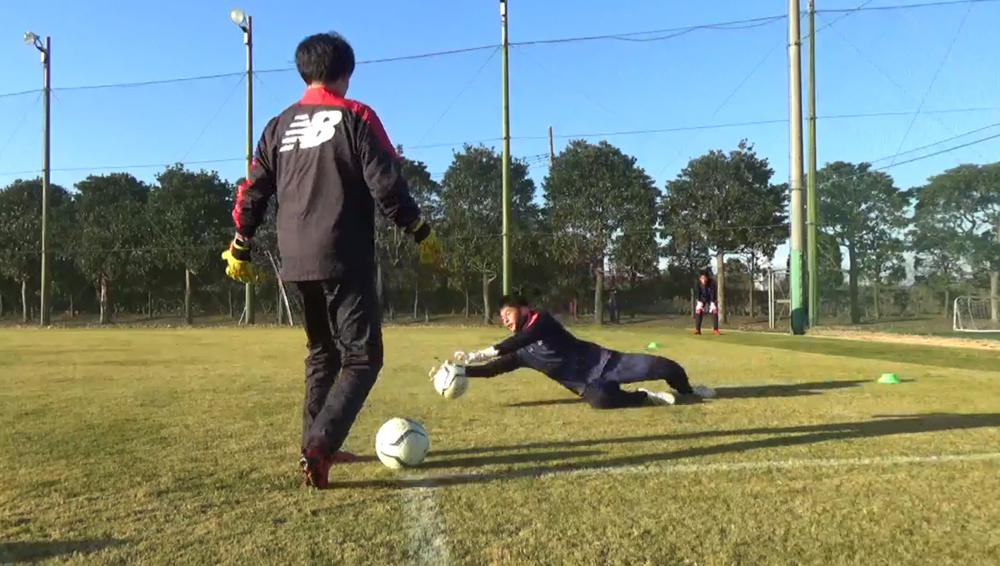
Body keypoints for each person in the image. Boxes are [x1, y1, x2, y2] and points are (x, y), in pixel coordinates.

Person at [221, 32, 442, 489]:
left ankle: (314, 444)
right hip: (344, 251)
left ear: (304, 71)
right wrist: (419, 229)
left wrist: (241, 242)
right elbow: (386, 183)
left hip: (296, 257)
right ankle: (320, 446)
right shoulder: (357, 115)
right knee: (362, 357)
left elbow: (253, 189)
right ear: (346, 72)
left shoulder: (278, 125)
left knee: (322, 352)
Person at [435, 295, 714, 409]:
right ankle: (645, 397)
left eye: (508, 314)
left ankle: (690, 391)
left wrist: (480, 352)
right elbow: (495, 369)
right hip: (588, 386)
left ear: (523, 309)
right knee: (600, 401)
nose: (505, 321)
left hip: (607, 363)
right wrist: (462, 371)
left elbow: (523, 338)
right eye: (502, 319)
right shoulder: (522, 352)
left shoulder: (542, 321)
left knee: (669, 368)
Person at [694, 269, 720, 335]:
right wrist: (699, 301)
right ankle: (697, 329)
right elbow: (697, 293)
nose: (703, 280)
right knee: (698, 309)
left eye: (705, 278)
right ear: (700, 278)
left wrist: (712, 302)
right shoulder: (697, 283)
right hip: (702, 298)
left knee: (714, 310)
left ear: (707, 278)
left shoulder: (712, 283)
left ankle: (716, 330)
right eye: (702, 278)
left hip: (710, 298)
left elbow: (713, 292)